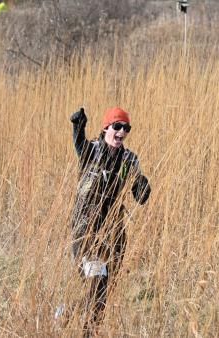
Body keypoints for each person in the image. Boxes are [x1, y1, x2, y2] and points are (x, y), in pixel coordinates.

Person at [68, 106, 151, 330]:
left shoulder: (130, 160)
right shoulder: (92, 150)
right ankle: (87, 330)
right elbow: (80, 145)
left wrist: (143, 188)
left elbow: (139, 195)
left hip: (114, 235)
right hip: (85, 231)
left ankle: (66, 314)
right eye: (117, 126)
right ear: (106, 128)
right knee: (98, 284)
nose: (122, 131)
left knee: (103, 292)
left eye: (126, 128)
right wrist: (78, 127)